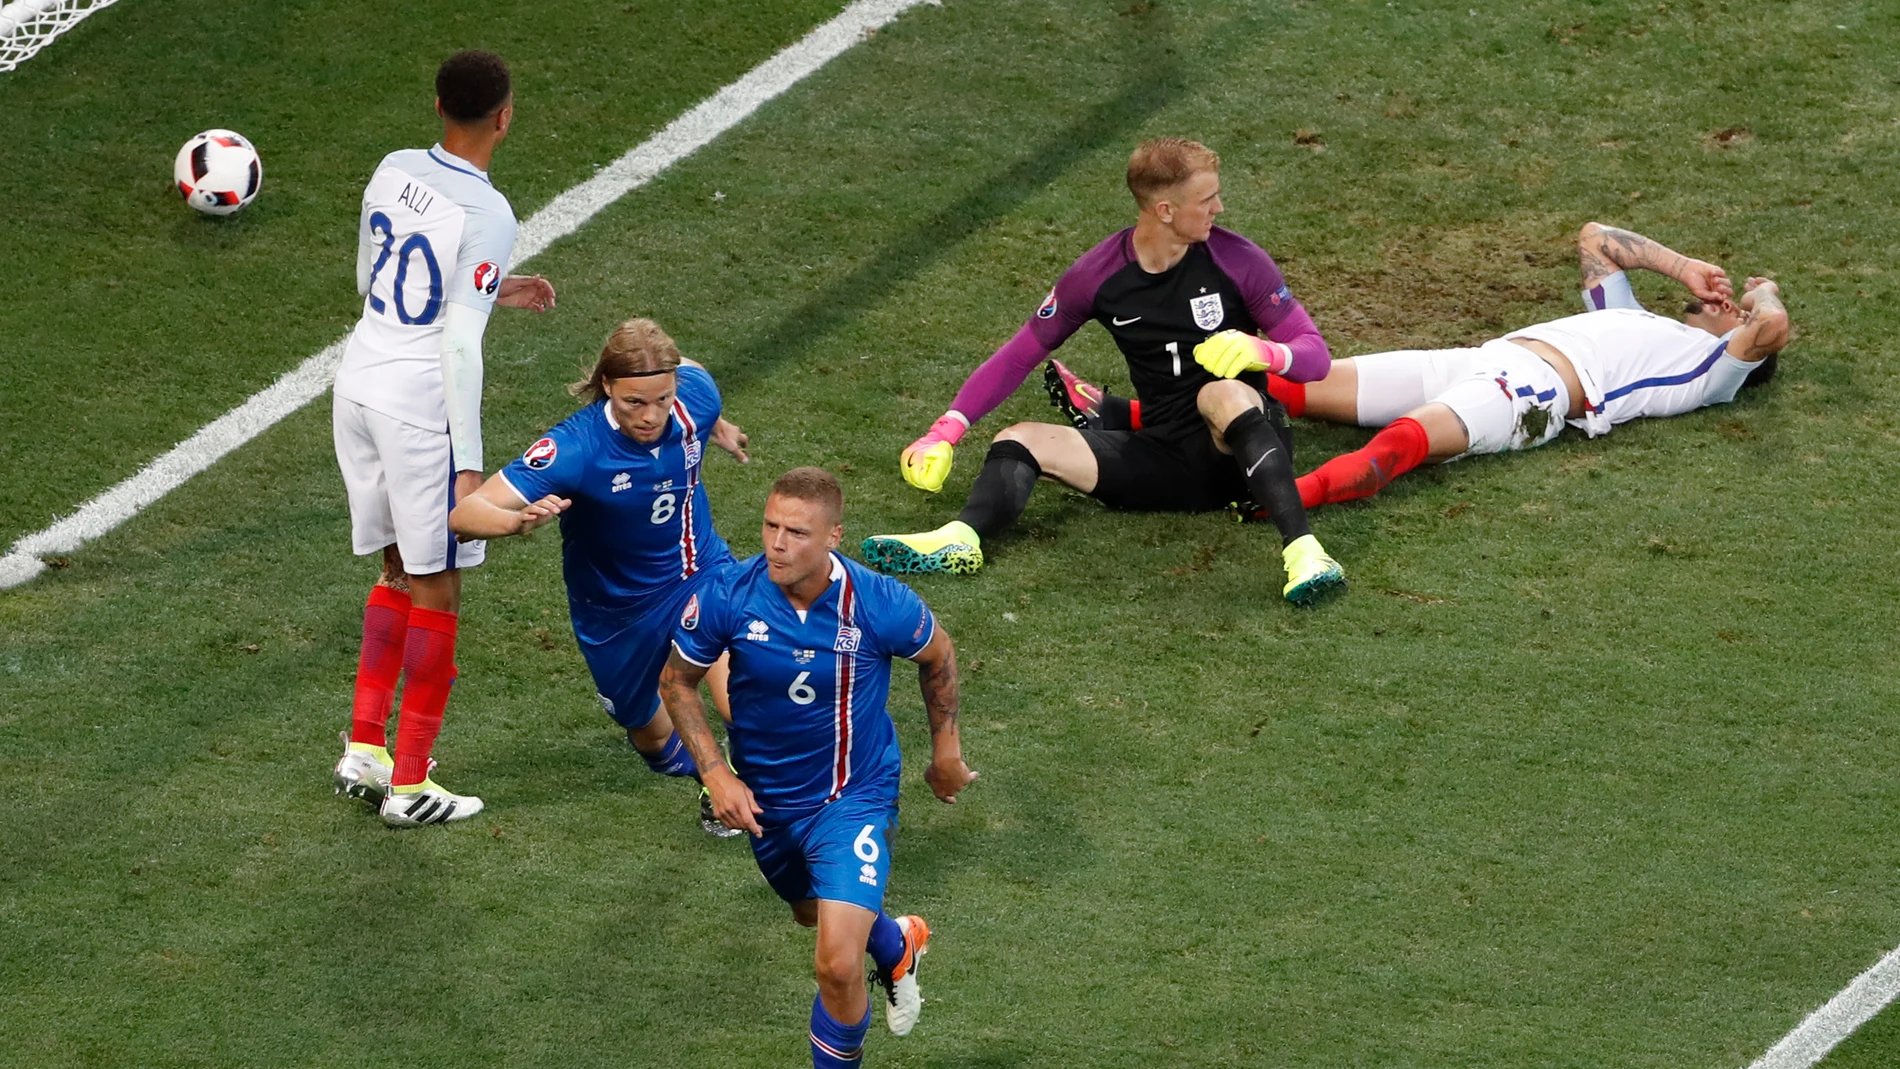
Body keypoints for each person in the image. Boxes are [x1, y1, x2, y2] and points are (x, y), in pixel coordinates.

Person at [860, 137, 1346, 605]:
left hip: (1245, 452)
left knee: (1220, 394)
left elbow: (1315, 356)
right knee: (1019, 437)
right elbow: (1019, 354)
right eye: (1208, 198)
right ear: (1165, 210)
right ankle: (961, 538)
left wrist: (1265, 354)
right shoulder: (1098, 276)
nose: (1219, 208)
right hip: (1166, 459)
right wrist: (944, 431)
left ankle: (1304, 553)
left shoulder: (1238, 260)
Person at [1053, 222, 1788, 509]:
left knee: (1405, 442)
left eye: (1737, 309)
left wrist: (1762, 293)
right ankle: (1125, 414)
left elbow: (1774, 324)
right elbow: (1596, 240)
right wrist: (1686, 265)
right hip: (1479, 357)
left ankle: (1293, 496)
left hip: (1534, 395)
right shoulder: (1633, 314)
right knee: (1298, 381)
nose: (1733, 304)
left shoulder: (1715, 366)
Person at [660, 468, 975, 1067]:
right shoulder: (728, 593)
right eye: (771, 526)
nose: (777, 543)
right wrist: (715, 775)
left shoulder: (879, 602)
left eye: (797, 532)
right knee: (810, 913)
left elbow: (938, 654)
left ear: (833, 536)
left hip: (853, 794)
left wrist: (946, 753)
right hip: (770, 801)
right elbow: (677, 683)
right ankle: (897, 938)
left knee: (835, 963)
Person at [329, 49, 558, 827]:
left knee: (398, 564)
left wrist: (494, 289)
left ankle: (366, 748)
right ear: (504, 116)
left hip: (358, 379)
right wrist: (468, 467)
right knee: (440, 585)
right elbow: (458, 347)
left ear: (436, 106)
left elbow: (371, 278)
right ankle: (413, 784)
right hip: (417, 407)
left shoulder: (393, 167)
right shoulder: (489, 214)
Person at [448, 318, 751, 835]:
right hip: (616, 613)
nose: (652, 415)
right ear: (608, 386)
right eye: (636, 402)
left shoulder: (695, 399)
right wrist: (515, 522)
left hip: (700, 571)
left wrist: (713, 423)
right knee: (652, 740)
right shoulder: (575, 449)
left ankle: (742, 781)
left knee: (741, 683)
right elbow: (463, 516)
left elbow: (693, 374)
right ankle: (707, 773)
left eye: (662, 399)